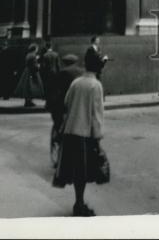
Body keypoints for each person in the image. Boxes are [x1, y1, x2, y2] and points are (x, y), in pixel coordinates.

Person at [52, 52, 108, 217]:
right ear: (97, 67)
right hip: (85, 134)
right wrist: (97, 137)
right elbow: (97, 114)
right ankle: (79, 205)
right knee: (83, 172)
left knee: (77, 172)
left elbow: (67, 102)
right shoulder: (95, 85)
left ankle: (79, 202)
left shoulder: (76, 82)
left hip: (70, 132)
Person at [47, 54, 84, 167]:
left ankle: (58, 154)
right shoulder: (82, 72)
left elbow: (56, 91)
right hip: (78, 105)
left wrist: (50, 104)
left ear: (64, 62)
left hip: (64, 106)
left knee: (59, 128)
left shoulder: (62, 73)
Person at [18, 43, 44, 108]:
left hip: (27, 71)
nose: (37, 50)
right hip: (32, 72)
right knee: (31, 87)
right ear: (35, 49)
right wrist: (39, 66)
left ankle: (27, 101)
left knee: (27, 87)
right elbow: (34, 65)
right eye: (37, 48)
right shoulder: (33, 55)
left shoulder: (28, 55)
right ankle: (29, 101)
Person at [40, 38, 61, 107]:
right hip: (55, 73)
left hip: (47, 74)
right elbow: (58, 65)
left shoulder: (45, 55)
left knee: (48, 89)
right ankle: (54, 103)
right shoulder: (56, 54)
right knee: (54, 89)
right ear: (51, 47)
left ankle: (48, 103)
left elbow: (43, 66)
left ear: (46, 47)